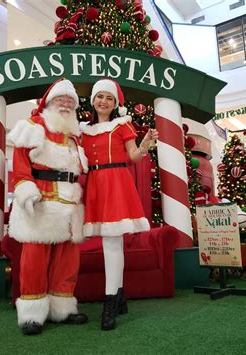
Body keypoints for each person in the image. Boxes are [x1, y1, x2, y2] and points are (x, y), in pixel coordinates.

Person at [7, 78, 89, 336]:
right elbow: (20, 166)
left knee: (67, 260)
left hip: (70, 204)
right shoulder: (32, 127)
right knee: (34, 259)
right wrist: (26, 191)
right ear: (49, 102)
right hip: (41, 202)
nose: (65, 104)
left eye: (70, 101)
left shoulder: (76, 136)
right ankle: (32, 314)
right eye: (60, 100)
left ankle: (62, 309)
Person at [79, 79, 158, 331]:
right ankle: (120, 297)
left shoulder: (122, 126)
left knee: (111, 243)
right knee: (111, 243)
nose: (104, 101)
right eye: (99, 96)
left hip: (116, 182)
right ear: (93, 100)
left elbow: (133, 156)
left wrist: (145, 144)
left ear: (115, 103)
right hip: (95, 184)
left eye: (109, 98)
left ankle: (110, 303)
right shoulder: (83, 130)